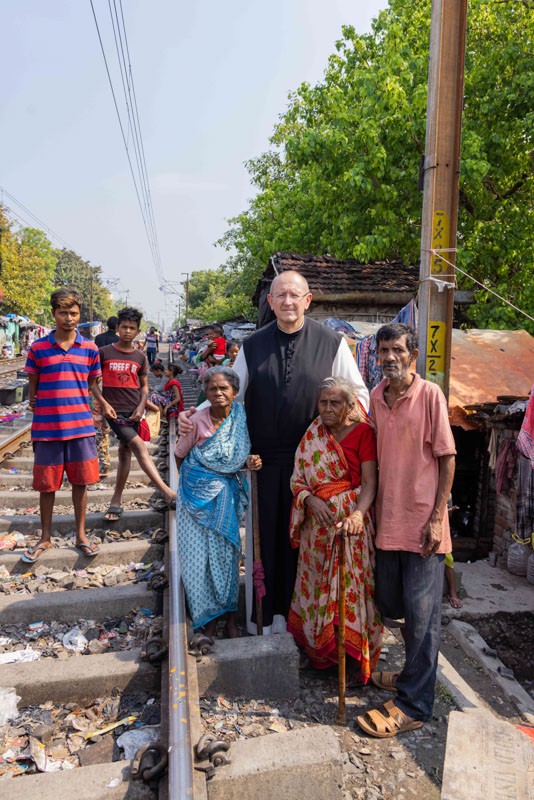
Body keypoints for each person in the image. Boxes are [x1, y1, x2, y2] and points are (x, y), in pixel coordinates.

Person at [180, 270, 369, 634]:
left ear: (308, 300)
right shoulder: (252, 346)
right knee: (266, 543)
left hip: (316, 470)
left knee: (309, 547)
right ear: (270, 302)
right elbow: (231, 397)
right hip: (264, 465)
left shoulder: (332, 343)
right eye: (280, 295)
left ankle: (308, 626)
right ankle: (265, 622)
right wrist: (197, 414)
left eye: (295, 295)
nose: (287, 302)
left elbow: (357, 398)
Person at [356, 323, 456, 739]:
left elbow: (447, 458)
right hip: (388, 520)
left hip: (422, 525)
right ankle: (412, 674)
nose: (389, 358)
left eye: (397, 350)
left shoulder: (429, 394)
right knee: (388, 601)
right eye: (383, 351)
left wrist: (438, 516)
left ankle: (415, 704)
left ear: (412, 355)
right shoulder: (377, 398)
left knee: (423, 617)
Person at [287, 377, 383, 683]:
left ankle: (353, 659)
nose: (327, 409)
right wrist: (310, 500)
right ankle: (321, 654)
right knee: (316, 588)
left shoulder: (363, 433)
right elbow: (298, 478)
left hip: (349, 529)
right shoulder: (313, 433)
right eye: (323, 402)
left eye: (335, 403)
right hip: (316, 529)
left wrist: (357, 514)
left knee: (350, 591)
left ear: (350, 405)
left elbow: (369, 483)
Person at [175, 367, 262, 637]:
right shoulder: (196, 421)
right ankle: (207, 620)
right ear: (206, 393)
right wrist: (198, 485)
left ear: (235, 392)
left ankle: (231, 617)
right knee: (198, 560)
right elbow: (180, 455)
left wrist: (250, 462)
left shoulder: (244, 418)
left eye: (224, 388)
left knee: (227, 557)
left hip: (226, 499)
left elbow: (250, 452)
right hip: (193, 501)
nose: (218, 393)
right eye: (212, 388)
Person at [22, 287, 102, 562]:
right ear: (53, 313)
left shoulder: (90, 348)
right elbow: (33, 388)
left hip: (81, 427)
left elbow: (92, 383)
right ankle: (45, 536)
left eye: (73, 313)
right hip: (47, 429)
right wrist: (36, 403)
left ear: (80, 314)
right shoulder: (38, 348)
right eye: (63, 313)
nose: (69, 318)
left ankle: (81, 535)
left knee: (81, 484)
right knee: (47, 485)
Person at [98, 307, 175, 521]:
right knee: (139, 447)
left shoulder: (140, 357)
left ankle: (116, 500)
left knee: (125, 453)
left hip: (134, 411)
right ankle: (165, 491)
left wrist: (142, 407)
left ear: (138, 331)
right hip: (114, 413)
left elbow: (143, 387)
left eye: (132, 328)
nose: (127, 331)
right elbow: (93, 383)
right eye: (124, 327)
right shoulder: (104, 353)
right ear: (117, 328)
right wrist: (103, 404)